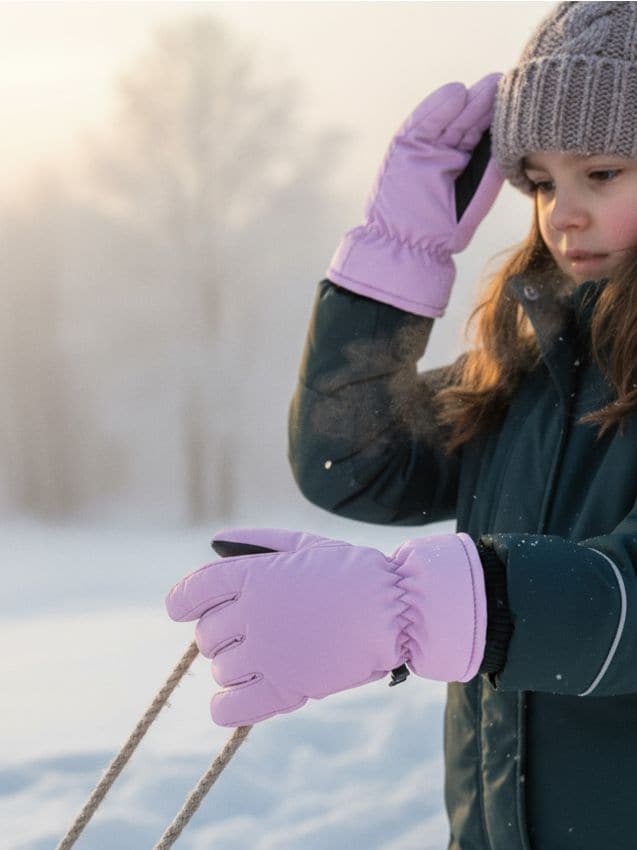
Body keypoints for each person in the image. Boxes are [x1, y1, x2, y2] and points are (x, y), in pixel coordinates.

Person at [166, 4, 637, 848]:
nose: (560, 213)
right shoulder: (538, 367)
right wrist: (395, 259)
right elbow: (356, 461)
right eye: (539, 181)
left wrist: (419, 606)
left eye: (600, 172)